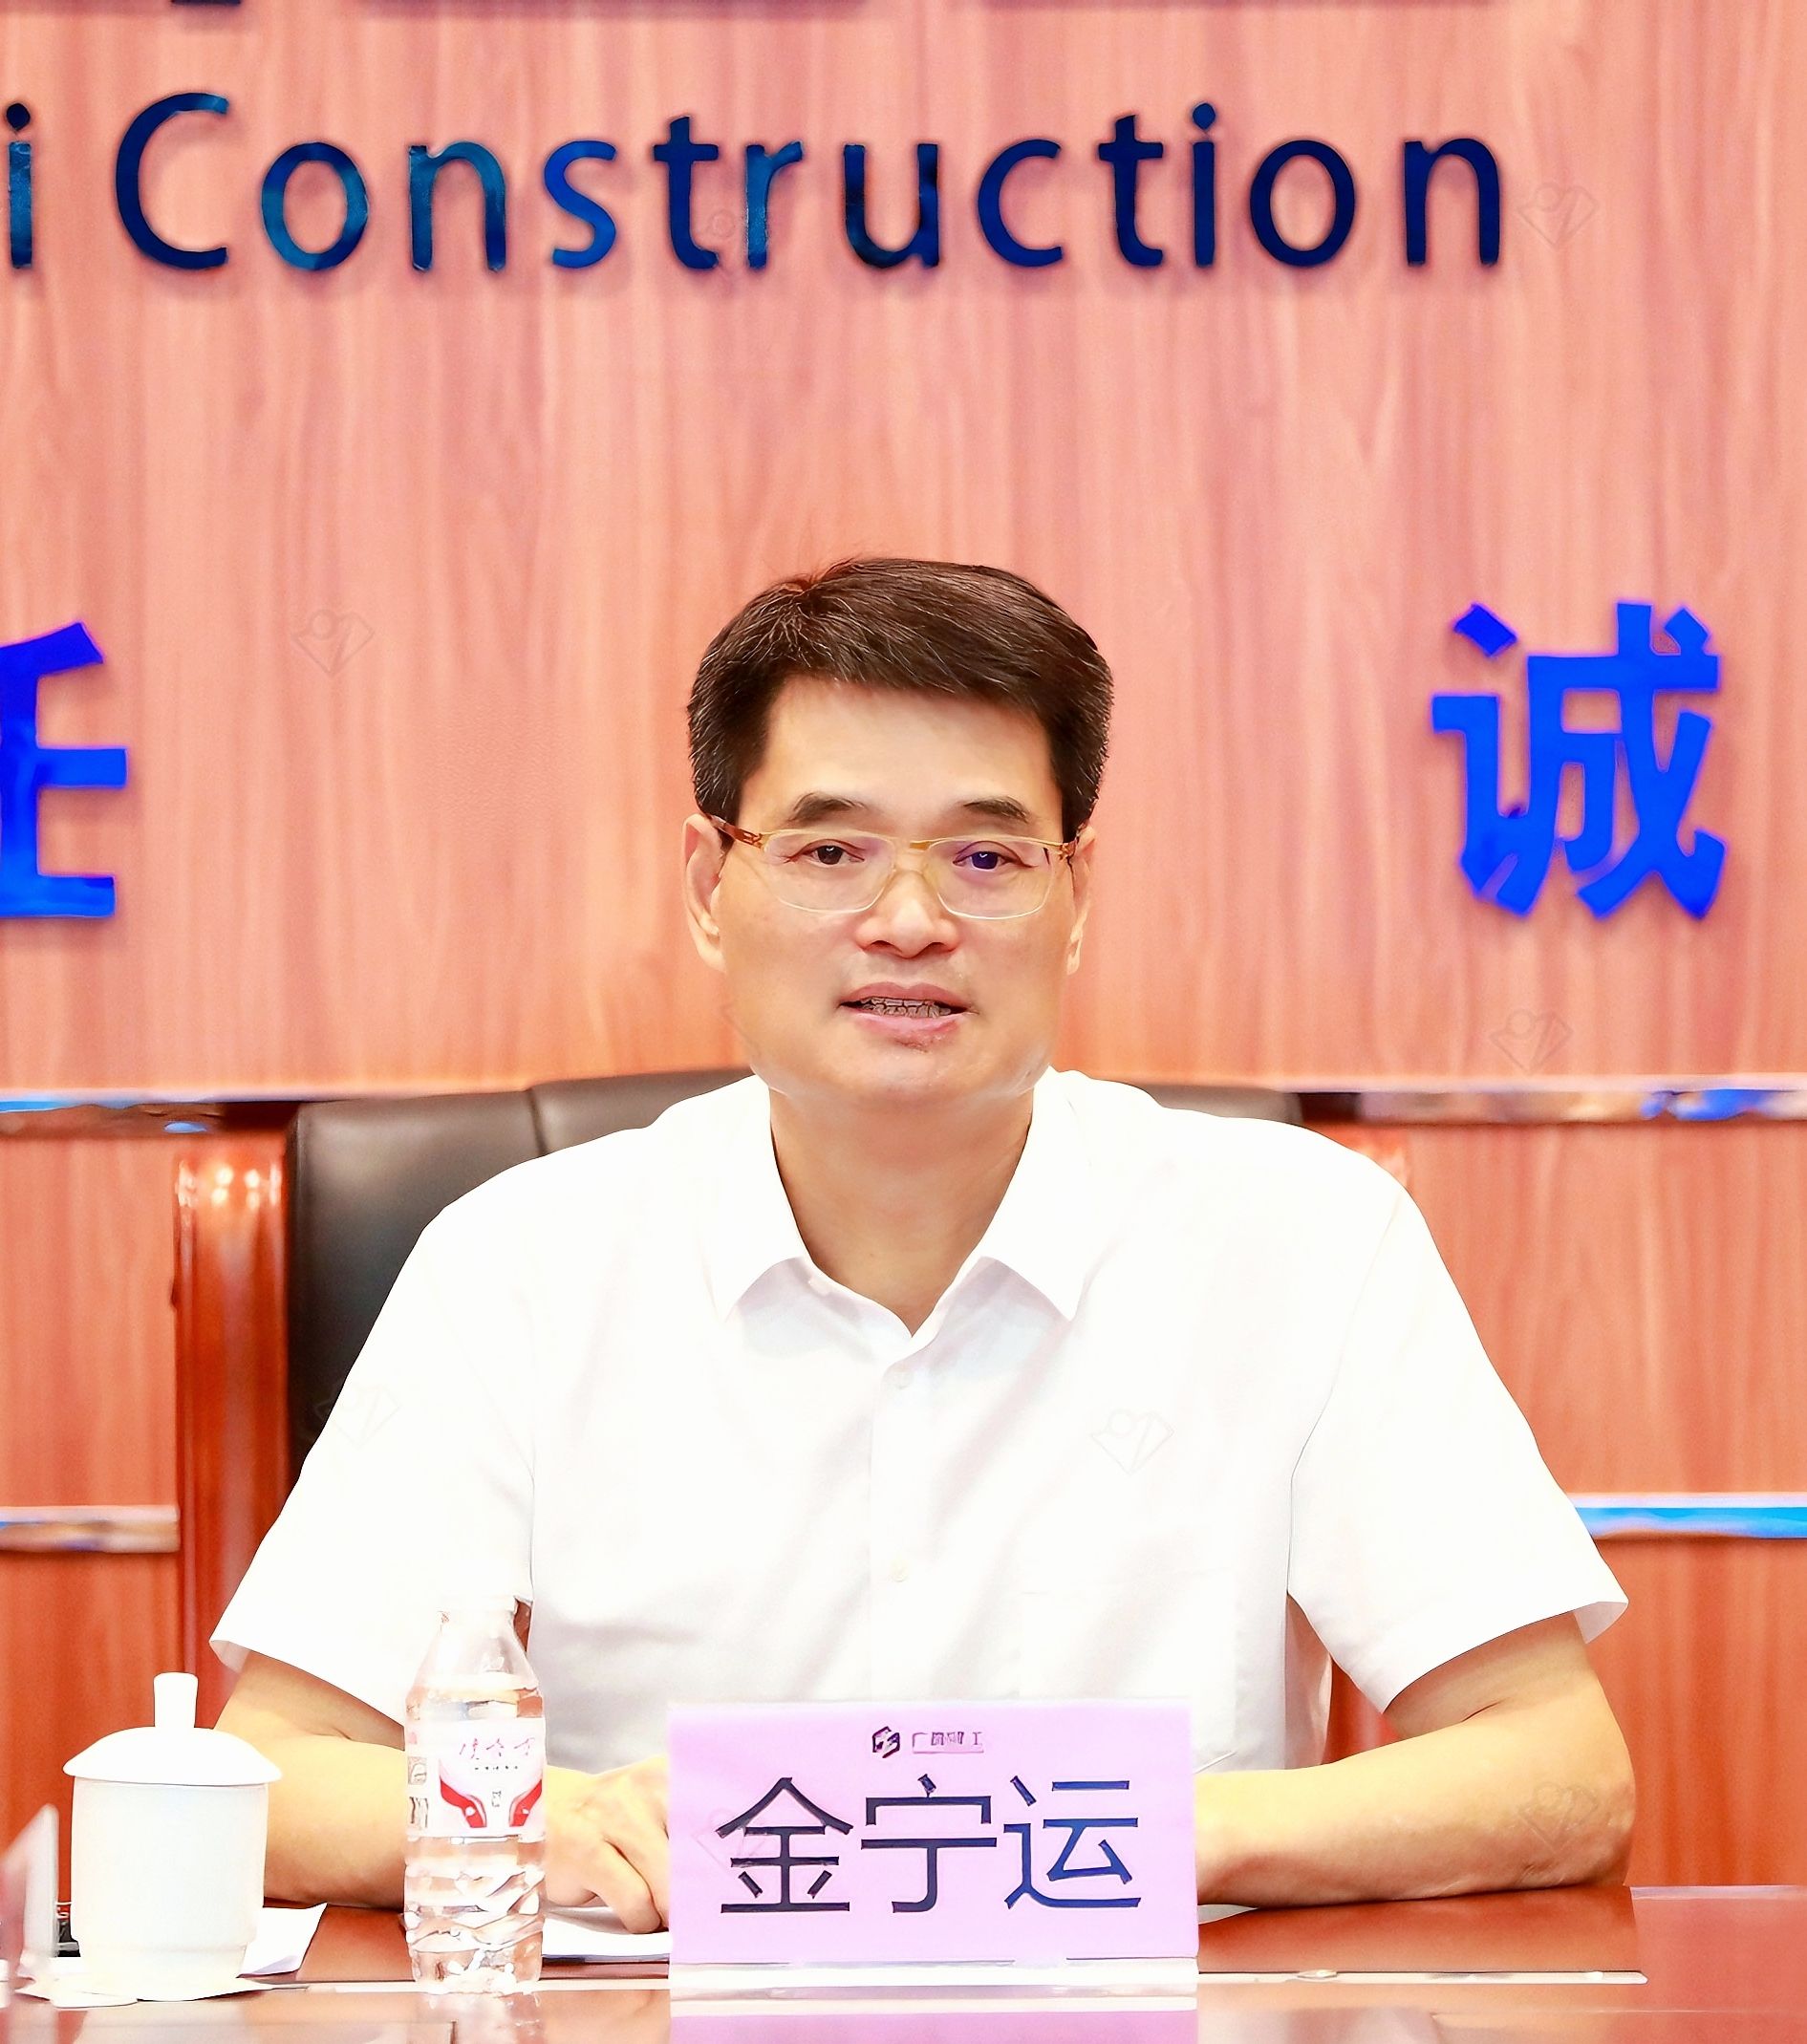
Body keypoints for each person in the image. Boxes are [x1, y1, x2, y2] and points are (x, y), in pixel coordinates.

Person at [215, 556, 1633, 1927]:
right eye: (830, 851)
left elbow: (1557, 1771)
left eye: (986, 856)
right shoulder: (522, 1264)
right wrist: (547, 1819)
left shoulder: (1301, 1243)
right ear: (709, 888)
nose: (908, 921)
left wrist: (1144, 1832)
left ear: (1076, 901)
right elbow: (274, 1773)